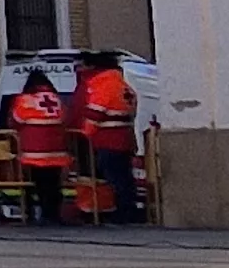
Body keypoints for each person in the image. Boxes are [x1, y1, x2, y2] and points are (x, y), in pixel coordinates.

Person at [76, 52, 140, 225]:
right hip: (124, 137)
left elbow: (95, 113)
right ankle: (129, 210)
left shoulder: (104, 85)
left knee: (114, 179)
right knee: (124, 177)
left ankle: (123, 213)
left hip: (107, 140)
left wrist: (85, 133)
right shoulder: (123, 85)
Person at [8, 70, 74, 228]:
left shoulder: (24, 100)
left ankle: (43, 216)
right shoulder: (56, 99)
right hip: (57, 151)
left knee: (40, 185)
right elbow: (65, 118)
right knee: (54, 184)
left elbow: (15, 120)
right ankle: (55, 215)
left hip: (35, 152)